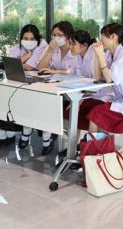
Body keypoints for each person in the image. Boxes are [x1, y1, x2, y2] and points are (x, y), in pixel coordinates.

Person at [0, 24, 48, 150]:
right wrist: (25, 57)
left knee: (15, 102)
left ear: (37, 38)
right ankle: (2, 135)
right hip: (16, 80)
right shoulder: (17, 47)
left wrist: (19, 61)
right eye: (25, 38)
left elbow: (29, 67)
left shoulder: (42, 46)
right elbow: (8, 64)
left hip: (36, 85)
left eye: (32, 38)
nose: (28, 41)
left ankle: (14, 132)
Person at [77, 23, 123, 134]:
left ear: (113, 37)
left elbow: (109, 79)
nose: (100, 39)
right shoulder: (109, 54)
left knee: (97, 113)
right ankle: (97, 144)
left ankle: (93, 144)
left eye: (102, 36)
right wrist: (97, 55)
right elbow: (98, 77)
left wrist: (100, 55)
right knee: (95, 111)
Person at [34, 20, 80, 154]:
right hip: (54, 87)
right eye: (53, 35)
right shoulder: (52, 48)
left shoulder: (75, 48)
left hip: (71, 89)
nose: (55, 38)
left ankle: (70, 145)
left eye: (59, 35)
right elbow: (41, 67)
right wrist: (50, 50)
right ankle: (48, 135)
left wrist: (55, 71)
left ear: (68, 36)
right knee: (40, 100)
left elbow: (75, 71)